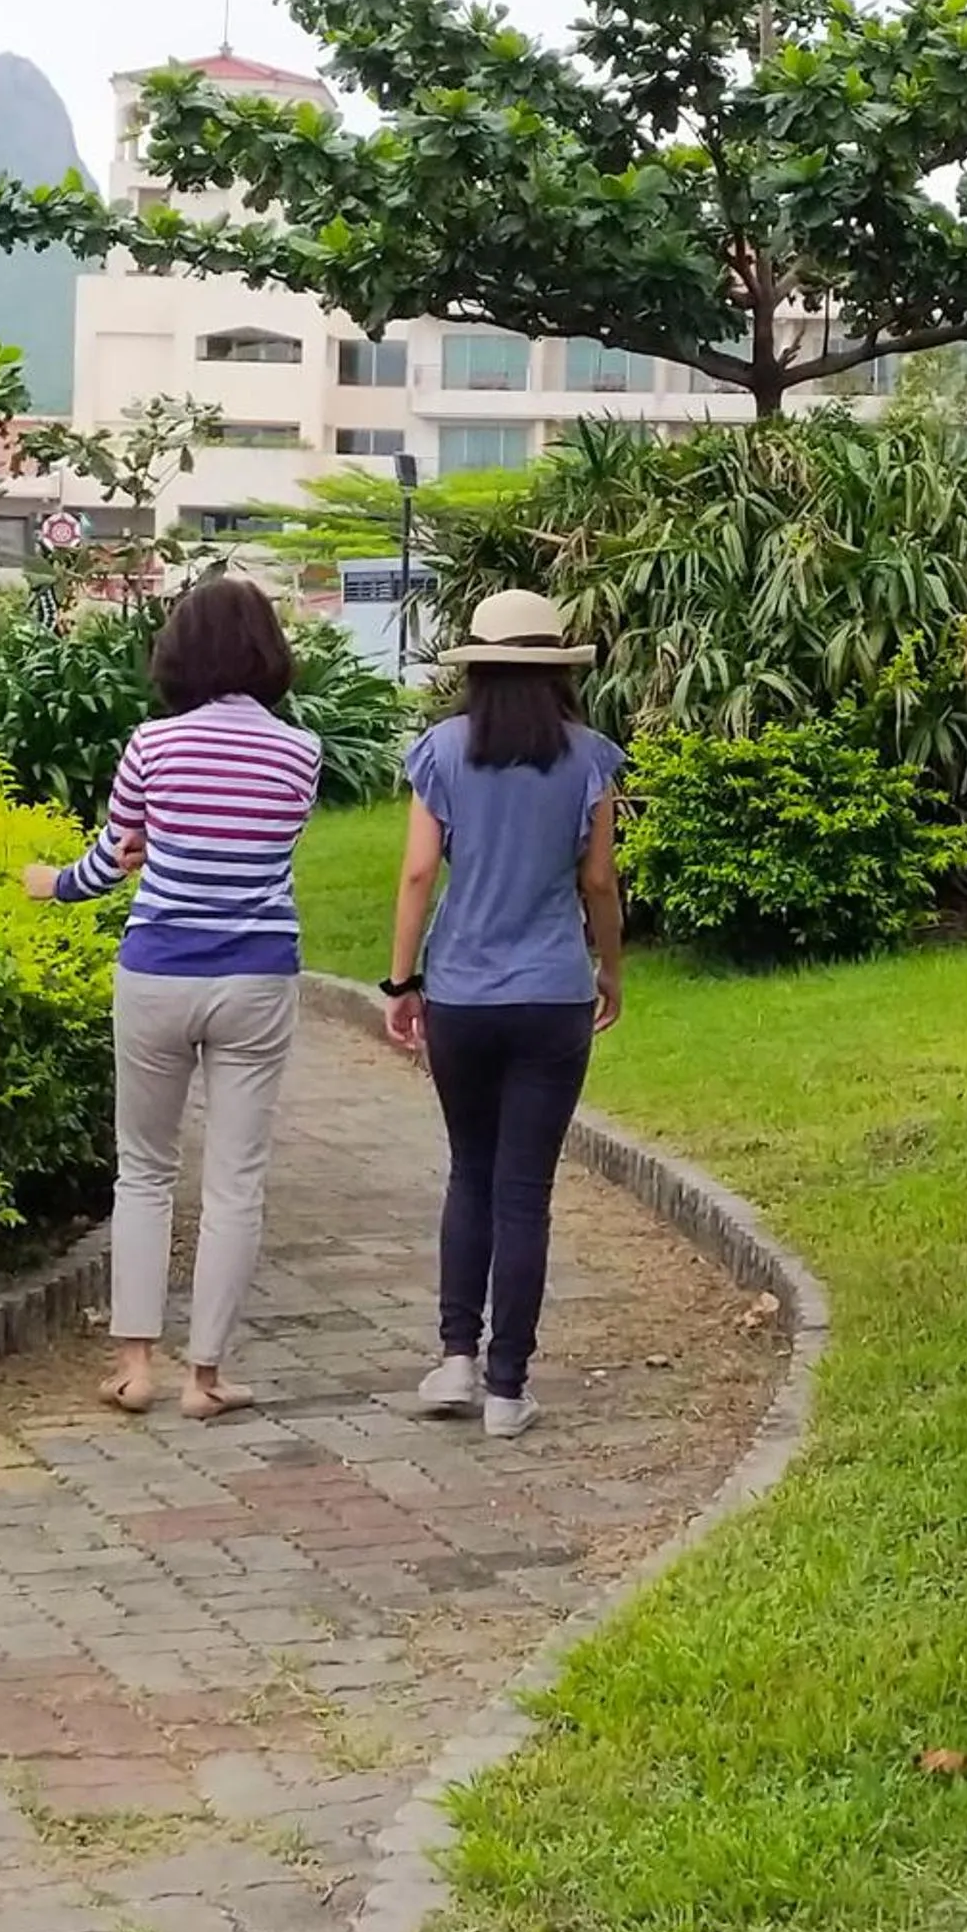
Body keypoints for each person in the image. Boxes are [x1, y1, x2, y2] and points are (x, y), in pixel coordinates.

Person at [24, 575, 323, 1421]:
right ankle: (206, 1377)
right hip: (258, 975)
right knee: (236, 1181)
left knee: (146, 1171)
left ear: (178, 653)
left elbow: (118, 855)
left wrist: (54, 885)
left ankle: (135, 1367)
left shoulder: (151, 745)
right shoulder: (301, 755)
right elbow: (264, 853)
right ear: (268, 652)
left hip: (157, 969)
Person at [386, 588, 625, 1440]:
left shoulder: (442, 751)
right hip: (553, 994)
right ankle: (509, 1389)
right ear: (555, 670)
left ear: (477, 670)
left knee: (470, 1173)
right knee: (526, 1190)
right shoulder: (589, 756)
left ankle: (455, 1357)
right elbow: (598, 882)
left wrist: (399, 982)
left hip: (460, 994)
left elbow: (418, 875)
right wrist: (610, 971)